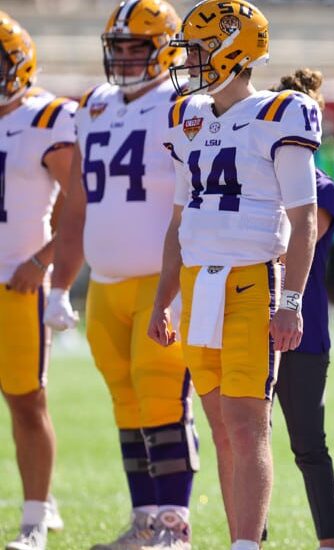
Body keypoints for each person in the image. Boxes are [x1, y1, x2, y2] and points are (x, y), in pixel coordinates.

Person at [147, 1, 320, 549]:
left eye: (200, 49)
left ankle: (247, 544)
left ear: (232, 50)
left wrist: (290, 301)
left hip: (252, 281)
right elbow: (179, 220)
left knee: (247, 426)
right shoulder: (186, 116)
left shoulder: (281, 112)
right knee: (222, 429)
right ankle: (240, 540)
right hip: (198, 284)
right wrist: (162, 299)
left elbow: (304, 217)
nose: (190, 61)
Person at [44, 1, 200, 547]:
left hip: (162, 280)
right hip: (106, 284)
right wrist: (59, 285)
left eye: (139, 47)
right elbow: (77, 204)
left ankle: (175, 525)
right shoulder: (93, 105)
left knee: (162, 398)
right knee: (126, 404)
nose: (128, 58)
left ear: (165, 48)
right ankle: (146, 520)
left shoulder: (184, 104)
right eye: (120, 48)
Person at [0, 12, 73, 550]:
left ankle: (33, 521)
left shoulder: (47, 117)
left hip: (16, 282)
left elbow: (83, 201)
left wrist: (43, 259)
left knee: (26, 401)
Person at [269, 68, 334, 550]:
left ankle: (328, 543)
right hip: (248, 317)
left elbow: (293, 245)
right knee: (245, 441)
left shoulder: (322, 187)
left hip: (302, 329)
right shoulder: (256, 179)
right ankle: (249, 538)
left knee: (309, 445)